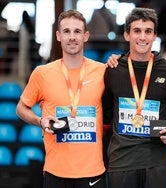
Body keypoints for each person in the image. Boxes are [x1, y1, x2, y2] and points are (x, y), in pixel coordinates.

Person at [16, 9, 106, 188]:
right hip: (55, 172)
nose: (72, 37)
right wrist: (40, 120)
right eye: (66, 31)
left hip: (92, 172)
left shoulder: (103, 71)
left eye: (77, 31)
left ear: (86, 36)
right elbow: (21, 108)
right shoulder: (42, 73)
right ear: (58, 36)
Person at [102, 7, 166, 188]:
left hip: (158, 164)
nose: (142, 37)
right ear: (126, 35)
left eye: (148, 31)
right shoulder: (112, 70)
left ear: (155, 35)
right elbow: (106, 113)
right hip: (121, 162)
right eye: (137, 31)